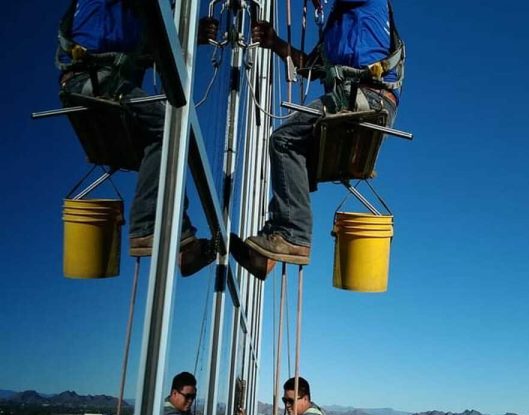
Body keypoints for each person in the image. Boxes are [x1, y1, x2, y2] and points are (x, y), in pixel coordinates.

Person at [233, 0, 404, 279]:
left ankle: (293, 234)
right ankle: (270, 251)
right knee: (293, 165)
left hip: (367, 97)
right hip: (356, 99)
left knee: (285, 140)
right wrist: (275, 42)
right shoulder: (338, 25)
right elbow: (310, 67)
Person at [57, 0, 219, 277]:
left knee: (164, 135)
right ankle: (149, 228)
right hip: (92, 81)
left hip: (103, 83)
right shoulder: (102, 10)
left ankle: (180, 244)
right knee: (171, 124)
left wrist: (190, 37)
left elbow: (146, 51)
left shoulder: (129, 23)